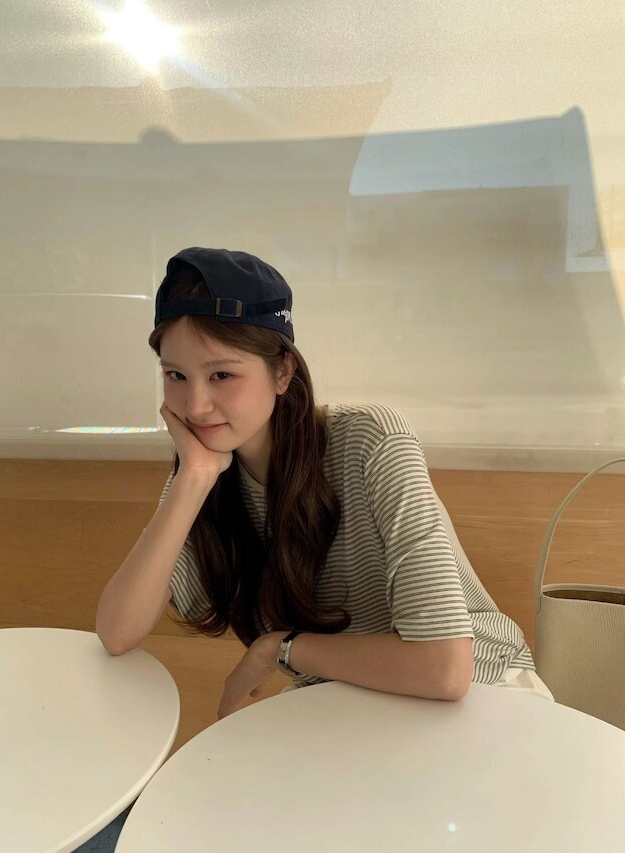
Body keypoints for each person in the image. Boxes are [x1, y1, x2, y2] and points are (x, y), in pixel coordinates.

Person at [96, 247, 554, 720]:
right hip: (348, 698)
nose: (195, 406)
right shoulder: (205, 471)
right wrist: (193, 477)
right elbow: (117, 632)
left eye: (222, 374)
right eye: (175, 375)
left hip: (487, 691)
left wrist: (279, 648)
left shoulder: (372, 440)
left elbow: (445, 670)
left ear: (282, 372)